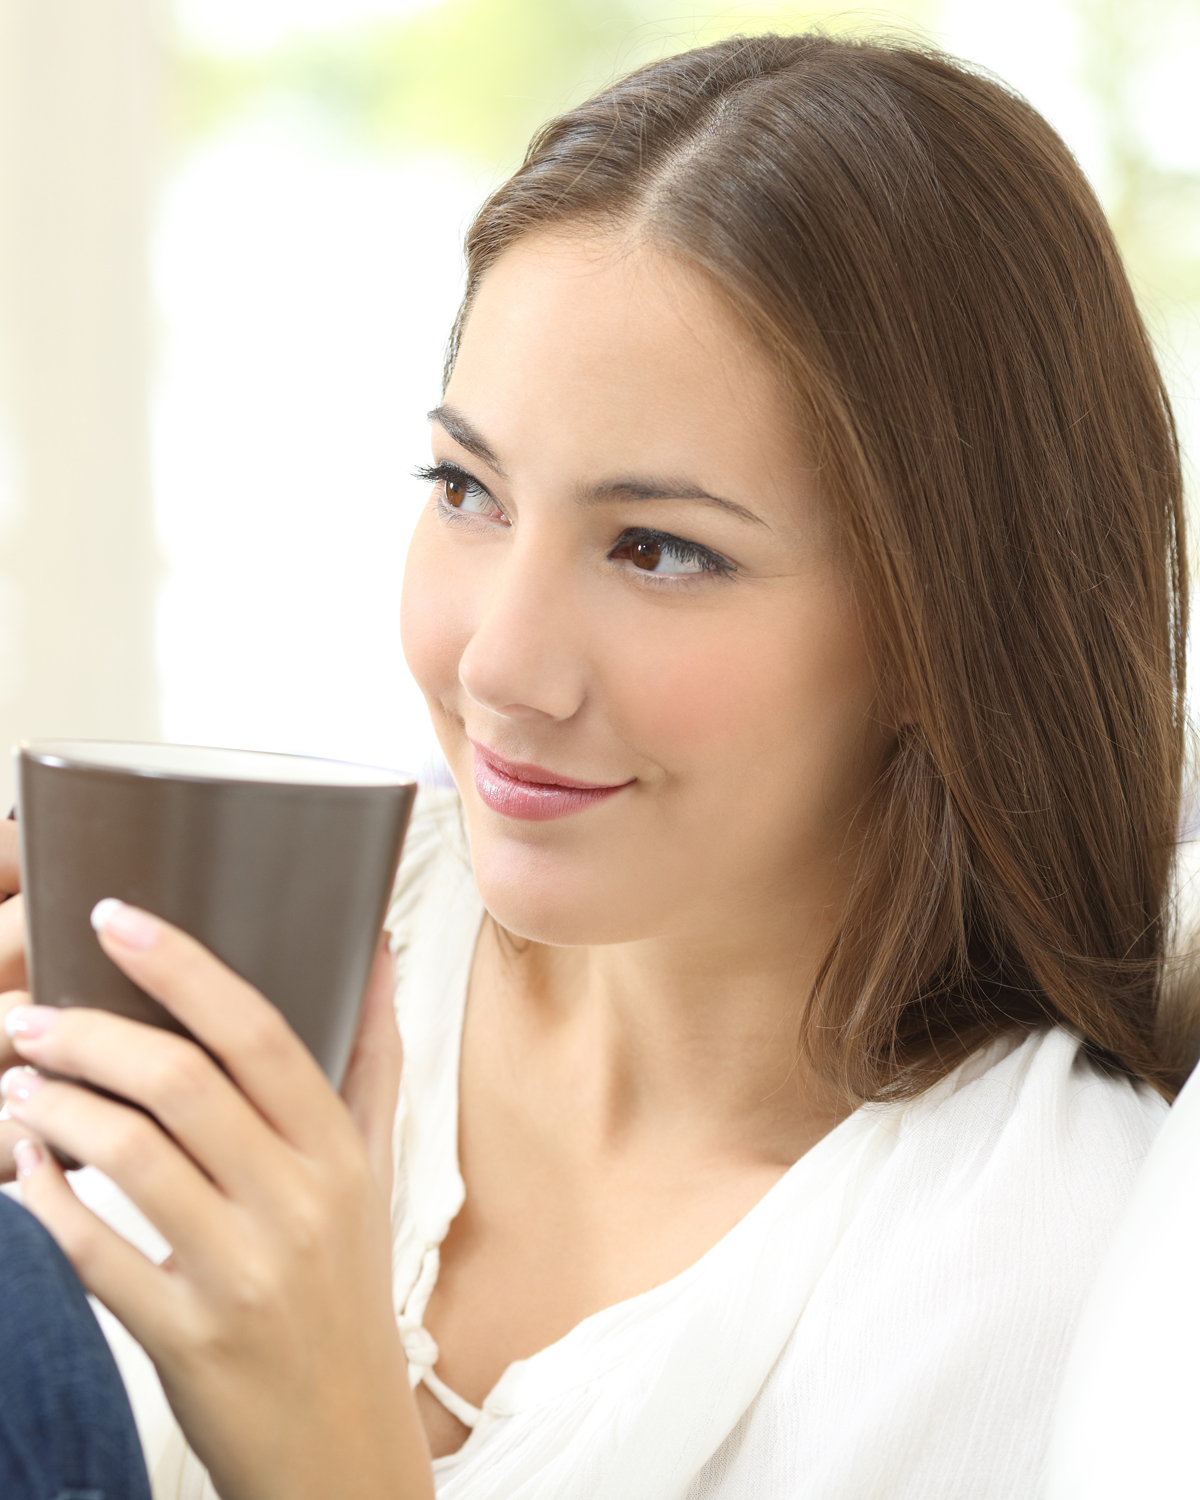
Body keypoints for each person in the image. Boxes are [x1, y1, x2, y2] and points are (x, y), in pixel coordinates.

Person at [0, 29, 1188, 1500]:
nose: (498, 663)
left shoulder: (1064, 1279)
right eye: (467, 489)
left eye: (661, 549)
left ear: (944, 632)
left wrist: (332, 1465)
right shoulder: (306, 940)